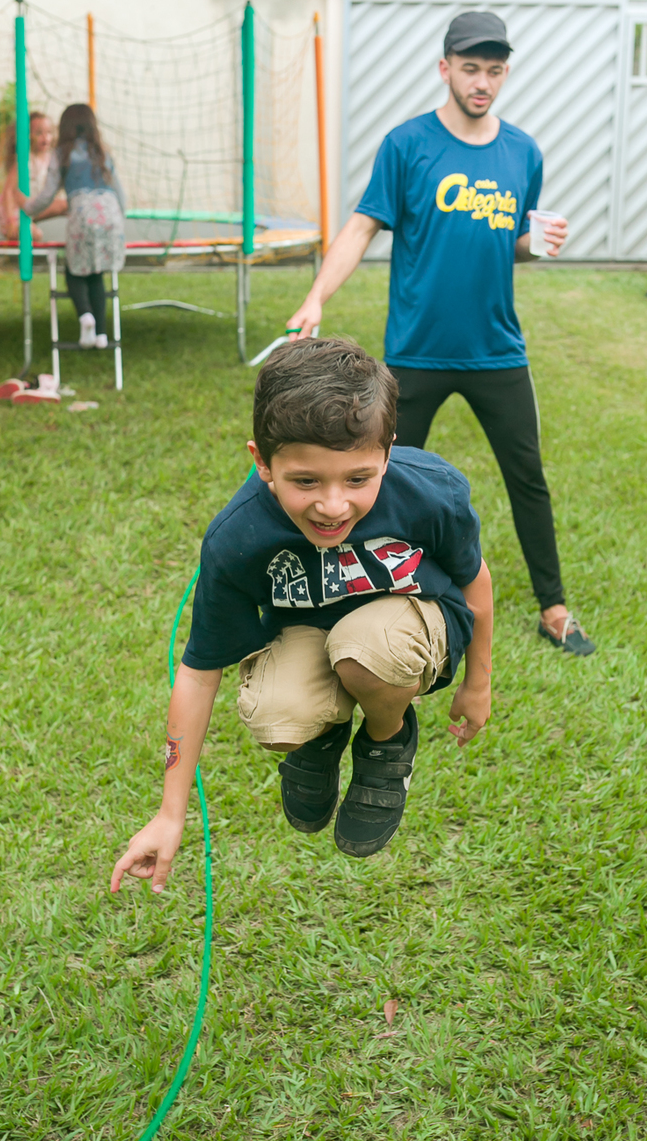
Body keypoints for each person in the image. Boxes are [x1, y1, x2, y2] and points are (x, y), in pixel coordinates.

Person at [109, 337, 494, 889]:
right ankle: (323, 734)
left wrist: (477, 683)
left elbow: (474, 579)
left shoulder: (432, 494)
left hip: (407, 629)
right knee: (275, 712)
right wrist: (171, 814)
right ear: (262, 463)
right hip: (315, 635)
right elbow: (198, 673)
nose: (333, 505)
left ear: (387, 451)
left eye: (358, 479)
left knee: (366, 650)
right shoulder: (238, 537)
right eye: (305, 481)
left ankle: (386, 740)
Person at [286, 10, 595, 658]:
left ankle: (555, 606)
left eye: (494, 70)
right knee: (382, 476)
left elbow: (507, 244)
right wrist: (317, 295)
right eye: (471, 68)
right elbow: (363, 226)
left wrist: (538, 248)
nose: (482, 82)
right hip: (416, 352)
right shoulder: (408, 145)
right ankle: (356, 596)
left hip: (496, 349)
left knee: (527, 477)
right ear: (445, 68)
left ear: (506, 73)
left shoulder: (523, 152)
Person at [17, 103, 125, 349]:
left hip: (82, 216)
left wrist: (27, 207)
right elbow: (120, 192)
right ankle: (100, 334)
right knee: (97, 273)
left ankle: (85, 315)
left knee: (75, 270)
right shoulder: (102, 152)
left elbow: (47, 194)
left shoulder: (62, 154)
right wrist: (120, 221)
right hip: (110, 215)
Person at [0, 111, 65, 242]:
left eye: (48, 133)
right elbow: (9, 192)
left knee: (65, 205)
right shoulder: (24, 160)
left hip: (33, 207)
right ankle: (16, 236)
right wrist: (10, 220)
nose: (45, 138)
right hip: (14, 211)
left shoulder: (51, 158)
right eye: (39, 133)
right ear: (27, 136)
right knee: (35, 235)